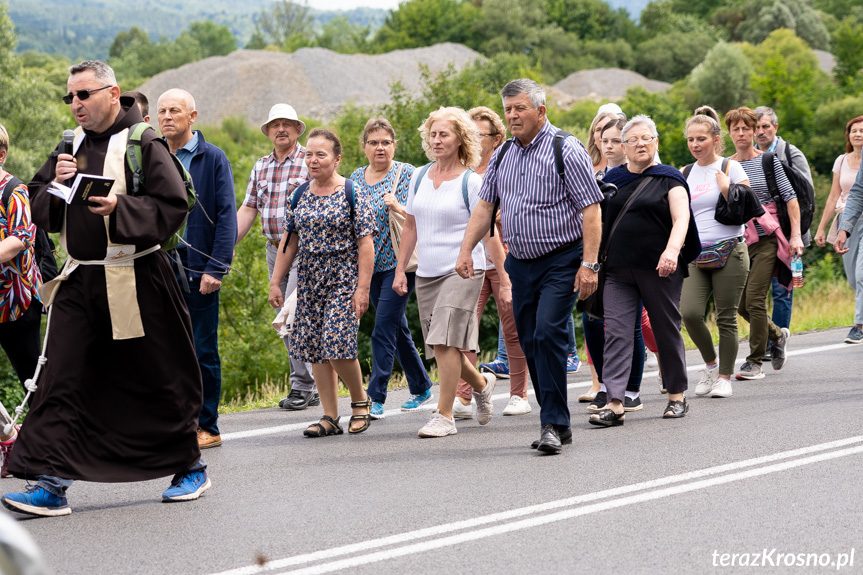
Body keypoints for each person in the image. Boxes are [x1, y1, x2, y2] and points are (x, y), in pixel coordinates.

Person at [3, 60, 209, 517]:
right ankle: (52, 482)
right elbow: (36, 205)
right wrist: (55, 185)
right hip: (80, 279)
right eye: (70, 97)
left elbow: (172, 206)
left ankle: (190, 466)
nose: (75, 104)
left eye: (84, 95)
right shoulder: (68, 144)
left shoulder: (143, 142)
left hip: (137, 278)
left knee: (158, 374)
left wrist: (119, 206)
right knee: (63, 375)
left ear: (113, 94)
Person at [457, 79, 603, 454]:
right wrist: (465, 250)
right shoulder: (503, 155)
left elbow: (591, 210)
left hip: (562, 259)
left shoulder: (565, 149)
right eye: (508, 110)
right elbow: (485, 206)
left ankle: (552, 422)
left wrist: (589, 264)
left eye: (520, 108)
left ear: (541, 111)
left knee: (546, 334)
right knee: (529, 340)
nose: (513, 115)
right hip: (520, 262)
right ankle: (558, 420)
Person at [393, 106, 505, 439]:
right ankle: (483, 384)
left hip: (465, 269)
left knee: (444, 340)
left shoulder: (472, 182)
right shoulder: (418, 176)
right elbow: (410, 225)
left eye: (444, 134)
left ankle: (445, 415)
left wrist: (504, 275)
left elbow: (488, 234)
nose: (437, 140)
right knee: (445, 345)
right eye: (433, 134)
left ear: (460, 139)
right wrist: (401, 270)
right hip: (427, 272)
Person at [591, 115, 700, 426]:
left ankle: (677, 395)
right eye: (633, 139)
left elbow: (682, 220)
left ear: (656, 142)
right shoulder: (611, 182)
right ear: (623, 147)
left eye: (646, 138)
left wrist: (671, 251)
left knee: (665, 329)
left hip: (660, 269)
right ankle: (614, 402)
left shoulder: (670, 179)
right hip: (617, 270)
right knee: (616, 333)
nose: (640, 143)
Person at [268, 128, 375, 437]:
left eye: (321, 154)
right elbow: (290, 241)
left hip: (344, 276)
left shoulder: (353, 191)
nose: (313, 160)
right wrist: (277, 281)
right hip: (309, 278)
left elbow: (366, 245)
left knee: (338, 343)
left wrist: (363, 288)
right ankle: (329, 416)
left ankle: (360, 401)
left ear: (337, 159)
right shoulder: (299, 194)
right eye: (309, 154)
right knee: (314, 348)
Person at [157, 89, 238, 449]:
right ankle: (177, 422)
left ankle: (208, 426)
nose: (167, 117)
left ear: (193, 117)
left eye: (175, 110)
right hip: (159, 267)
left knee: (202, 348)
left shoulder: (212, 157)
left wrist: (216, 268)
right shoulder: (150, 155)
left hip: (198, 267)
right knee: (166, 348)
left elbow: (226, 217)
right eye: (161, 111)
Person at [348, 117, 433, 419]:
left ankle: (376, 397)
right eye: (374, 142)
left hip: (401, 265)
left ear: (394, 145)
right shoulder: (355, 179)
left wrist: (396, 205)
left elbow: (423, 214)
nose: (380, 148)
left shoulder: (407, 174)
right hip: (370, 269)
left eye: (385, 142)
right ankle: (422, 386)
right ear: (364, 147)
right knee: (396, 329)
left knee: (383, 327)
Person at [237, 103, 318, 410]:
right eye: (275, 125)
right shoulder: (261, 166)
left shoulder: (308, 161)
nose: (281, 129)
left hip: (305, 248)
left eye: (287, 124)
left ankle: (302, 385)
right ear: (268, 132)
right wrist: (229, 242)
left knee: (292, 313)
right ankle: (308, 382)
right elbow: (249, 207)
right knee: (285, 314)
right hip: (273, 248)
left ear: (298, 129)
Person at [453, 106, 530, 418]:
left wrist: (501, 213)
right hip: (471, 262)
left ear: (497, 139)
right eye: (468, 132)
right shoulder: (460, 172)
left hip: (505, 258)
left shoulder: (507, 168)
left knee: (512, 327)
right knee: (462, 329)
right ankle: (465, 395)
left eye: (478, 133)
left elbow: (525, 205)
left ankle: (518, 394)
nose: (471, 137)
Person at [680, 107, 751, 398]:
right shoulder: (684, 172)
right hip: (696, 253)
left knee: (726, 317)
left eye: (701, 139)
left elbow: (749, 207)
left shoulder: (730, 168)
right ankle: (710, 365)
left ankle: (724, 377)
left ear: (716, 139)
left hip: (731, 250)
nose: (695, 145)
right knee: (690, 313)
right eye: (690, 139)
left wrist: (726, 190)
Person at [727, 107, 801, 380]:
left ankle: (754, 360)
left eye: (747, 127)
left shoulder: (768, 161)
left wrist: (794, 236)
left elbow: (790, 198)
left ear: (755, 129)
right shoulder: (726, 165)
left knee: (756, 300)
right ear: (730, 133)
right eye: (737, 129)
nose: (743, 133)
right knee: (741, 305)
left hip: (769, 238)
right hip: (739, 241)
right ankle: (778, 334)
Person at [0, 123, 42, 477]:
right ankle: (9, 436)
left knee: (33, 377)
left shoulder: (14, 190)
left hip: (17, 303)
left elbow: (19, 239)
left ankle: (50, 447)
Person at [754, 106, 814, 340]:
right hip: (760, 232)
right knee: (756, 292)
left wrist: (798, 234)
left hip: (789, 231)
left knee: (782, 289)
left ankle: (776, 341)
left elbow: (806, 195)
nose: (760, 132)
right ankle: (770, 337)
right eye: (756, 127)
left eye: (765, 126)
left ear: (775, 127)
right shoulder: (748, 156)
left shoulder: (790, 153)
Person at [827, 116, 863, 343]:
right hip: (850, 219)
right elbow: (856, 194)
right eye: (854, 131)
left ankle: (859, 325)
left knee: (862, 275)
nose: (858, 134)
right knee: (853, 278)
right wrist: (843, 230)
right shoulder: (842, 161)